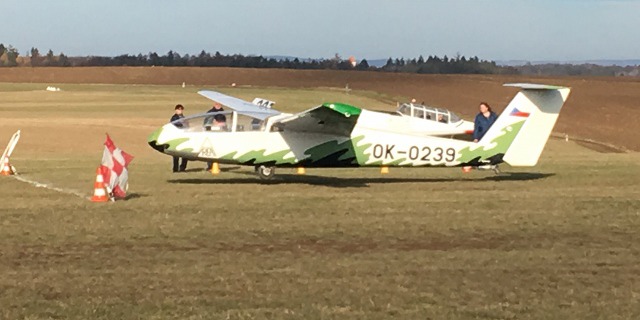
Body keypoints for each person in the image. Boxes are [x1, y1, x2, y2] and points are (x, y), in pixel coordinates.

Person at [205, 103, 226, 170]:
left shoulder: (222, 112)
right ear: (214, 105)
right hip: (212, 133)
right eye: (217, 104)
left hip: (220, 133)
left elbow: (224, 122)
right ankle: (210, 166)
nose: (218, 106)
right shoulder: (210, 112)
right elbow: (207, 123)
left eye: (219, 104)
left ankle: (215, 164)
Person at [170, 104, 188, 172]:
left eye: (181, 109)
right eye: (178, 109)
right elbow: (175, 125)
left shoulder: (184, 118)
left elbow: (187, 125)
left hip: (183, 137)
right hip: (176, 138)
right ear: (176, 110)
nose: (180, 111)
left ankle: (182, 168)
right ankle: (175, 169)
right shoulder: (174, 118)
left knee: (185, 154)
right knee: (176, 155)